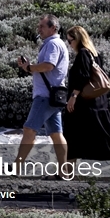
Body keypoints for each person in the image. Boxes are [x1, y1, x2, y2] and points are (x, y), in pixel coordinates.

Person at [63, 25, 110, 181]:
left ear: (78, 39)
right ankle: (68, 171)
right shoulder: (95, 54)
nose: (69, 44)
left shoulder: (82, 54)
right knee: (97, 136)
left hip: (84, 104)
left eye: (70, 40)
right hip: (97, 103)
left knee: (74, 135)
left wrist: (73, 96)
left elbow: (83, 76)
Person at [14, 14, 69, 178]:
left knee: (29, 130)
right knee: (56, 134)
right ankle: (64, 171)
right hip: (54, 96)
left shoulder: (52, 45)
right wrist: (29, 67)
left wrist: (30, 68)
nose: (39, 29)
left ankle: (16, 167)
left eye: (42, 26)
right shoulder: (56, 44)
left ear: (53, 28)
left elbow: (48, 66)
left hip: (45, 97)